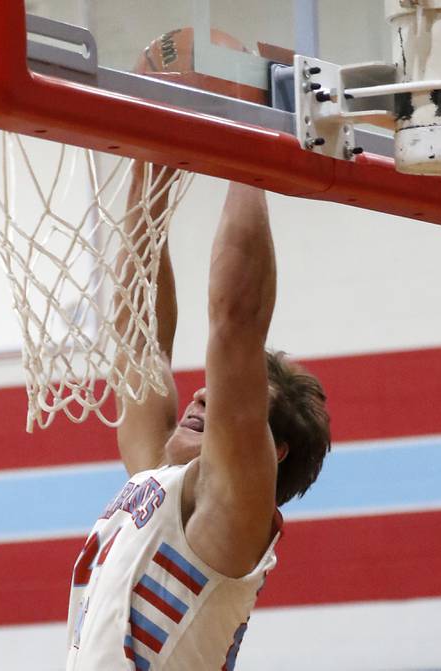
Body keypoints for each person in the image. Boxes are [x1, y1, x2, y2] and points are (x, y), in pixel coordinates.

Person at [64, 164, 331, 670]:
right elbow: (138, 336)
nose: (203, 395)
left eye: (226, 402)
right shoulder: (161, 474)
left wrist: (247, 154)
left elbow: (236, 325)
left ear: (269, 453)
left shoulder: (233, 508)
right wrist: (151, 172)